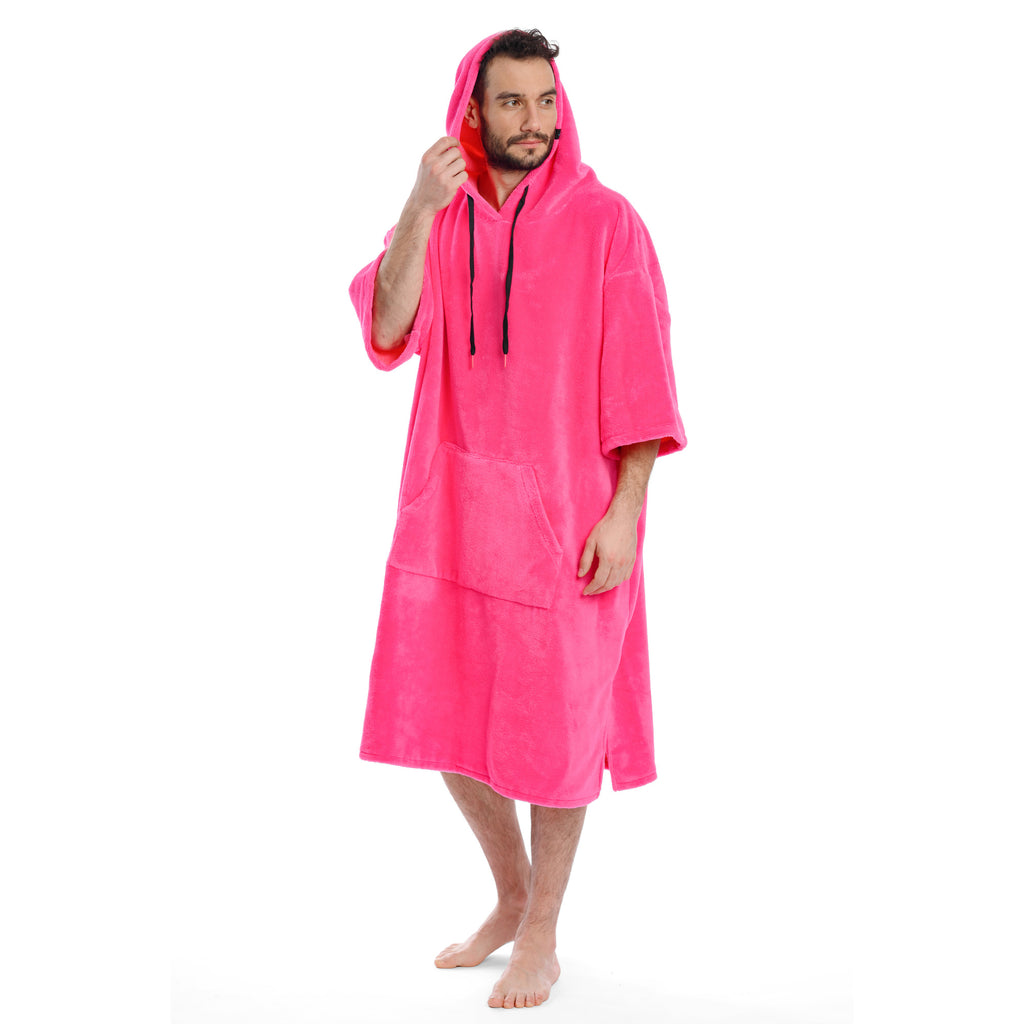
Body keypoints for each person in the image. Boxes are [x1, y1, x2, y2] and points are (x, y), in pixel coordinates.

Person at [349, 28, 687, 1009]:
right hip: (450, 515)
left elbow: (643, 383)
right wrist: (418, 206)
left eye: (546, 101)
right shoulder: (441, 218)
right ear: (472, 110)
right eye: (512, 102)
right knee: (438, 714)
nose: (536, 121)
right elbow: (387, 326)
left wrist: (625, 511)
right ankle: (510, 895)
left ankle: (542, 931)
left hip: (566, 525)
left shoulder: (609, 224)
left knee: (559, 736)